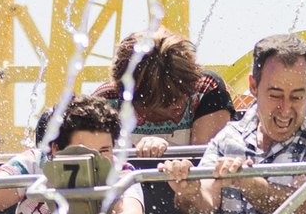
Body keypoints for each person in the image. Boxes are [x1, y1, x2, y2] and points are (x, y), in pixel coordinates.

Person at [161, 33, 306, 214]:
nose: (285, 109)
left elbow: (302, 206)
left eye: (297, 97)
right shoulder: (229, 137)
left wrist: (247, 181)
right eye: (275, 95)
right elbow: (202, 207)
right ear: (253, 87)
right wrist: (189, 191)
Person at [0, 94, 145, 214]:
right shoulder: (34, 163)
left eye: (104, 150)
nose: (96, 160)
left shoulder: (121, 171)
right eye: (84, 152)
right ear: (56, 149)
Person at [92, 28, 235, 157]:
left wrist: (166, 148)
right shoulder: (106, 101)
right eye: (167, 99)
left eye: (184, 92)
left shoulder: (206, 88)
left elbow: (207, 162)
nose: (178, 103)